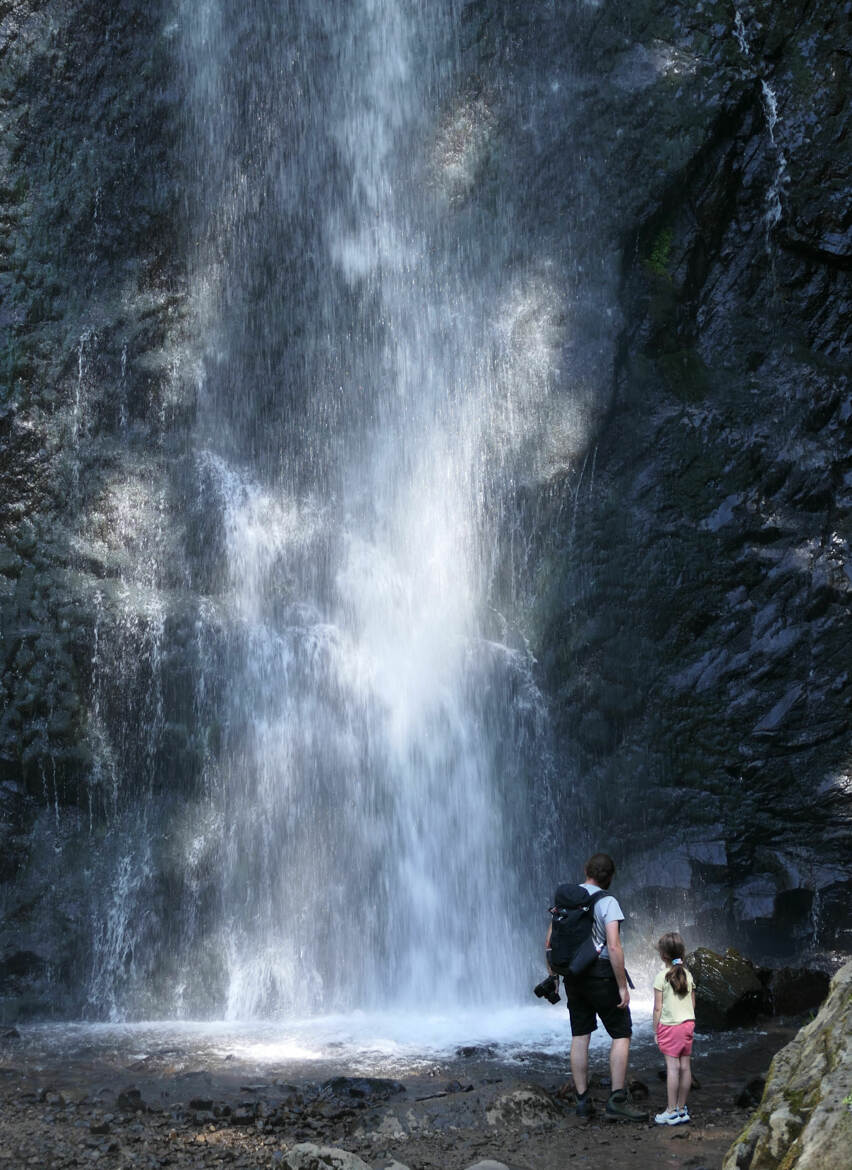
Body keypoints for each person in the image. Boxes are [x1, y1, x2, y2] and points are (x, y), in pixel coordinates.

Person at [546, 852, 647, 1121]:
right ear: (610, 877)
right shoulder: (607, 902)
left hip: (574, 977)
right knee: (621, 1033)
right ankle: (616, 1100)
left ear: (586, 870)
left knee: (580, 1035)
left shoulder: (567, 899)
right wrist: (623, 986)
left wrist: (555, 975)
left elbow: (550, 941)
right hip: (601, 975)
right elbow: (613, 946)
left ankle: (582, 1101)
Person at [652, 931, 696, 1126]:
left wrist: (656, 1030)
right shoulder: (688, 974)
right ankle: (681, 1108)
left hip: (670, 1026)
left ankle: (670, 1111)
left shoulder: (661, 976)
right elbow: (693, 1004)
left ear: (663, 955)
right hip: (688, 1024)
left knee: (672, 1067)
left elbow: (657, 1007)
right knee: (685, 1066)